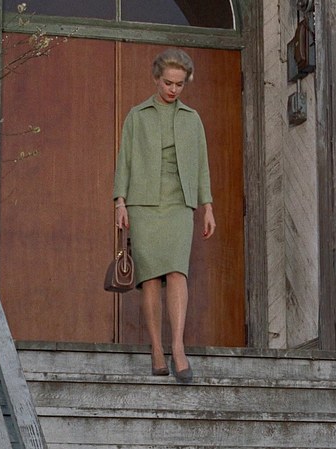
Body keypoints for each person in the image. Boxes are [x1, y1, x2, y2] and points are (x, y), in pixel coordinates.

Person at [112, 48, 215, 383]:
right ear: (157, 79)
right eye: (168, 82)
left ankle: (178, 347)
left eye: (179, 84)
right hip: (143, 204)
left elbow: (201, 165)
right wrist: (120, 202)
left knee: (177, 271)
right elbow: (125, 160)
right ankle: (157, 349)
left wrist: (207, 206)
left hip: (179, 204)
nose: (173, 89)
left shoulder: (192, 119)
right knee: (151, 277)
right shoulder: (137, 115)